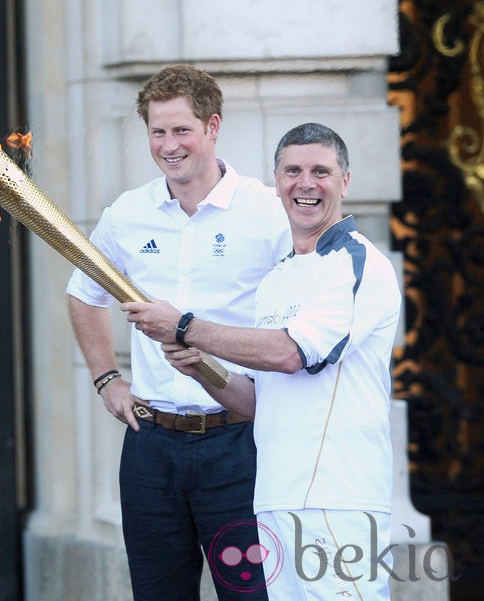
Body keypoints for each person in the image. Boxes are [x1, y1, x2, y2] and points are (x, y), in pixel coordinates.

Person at [126, 123, 400, 599]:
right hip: (274, 502)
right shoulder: (277, 279)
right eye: (292, 171)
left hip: (338, 504)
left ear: (345, 181)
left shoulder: (357, 263)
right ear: (277, 182)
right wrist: (199, 366)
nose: (305, 183)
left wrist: (185, 326)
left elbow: (291, 354)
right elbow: (256, 400)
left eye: (321, 171)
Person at [66, 65, 291, 600]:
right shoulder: (128, 213)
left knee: (251, 594)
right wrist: (106, 380)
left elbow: (295, 327)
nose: (169, 145)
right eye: (157, 132)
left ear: (213, 126)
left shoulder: (267, 212)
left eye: (181, 130)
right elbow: (83, 293)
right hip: (152, 446)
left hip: (242, 445)